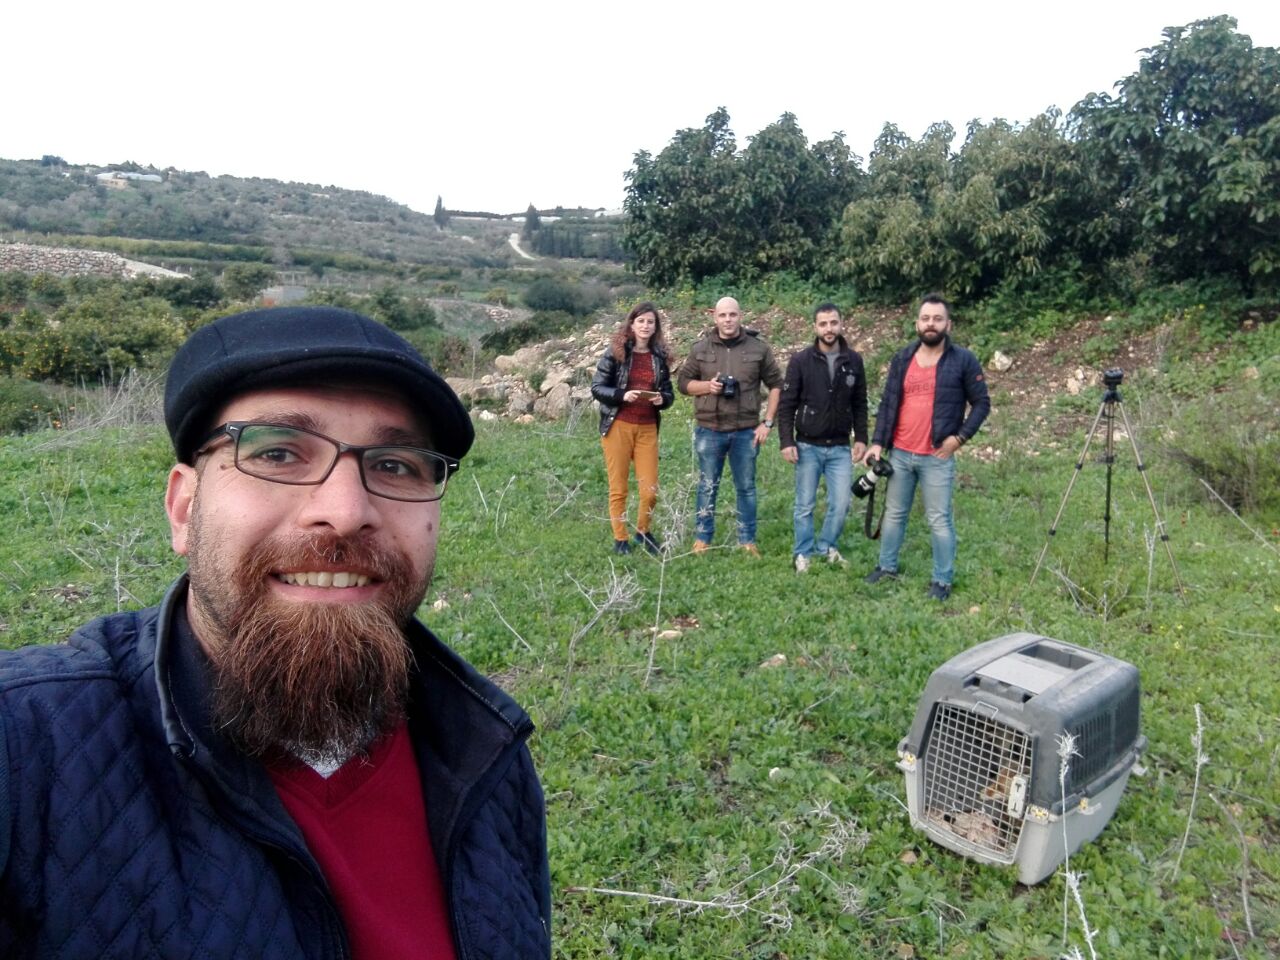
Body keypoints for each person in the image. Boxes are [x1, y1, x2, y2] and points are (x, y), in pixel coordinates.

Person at [0, 306, 551, 960]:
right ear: (184, 508)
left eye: (395, 464)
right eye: (279, 452)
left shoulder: (488, 755)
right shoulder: (28, 748)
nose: (345, 512)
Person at [862, 294, 990, 601]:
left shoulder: (963, 360)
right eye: (925, 318)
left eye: (937, 319)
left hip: (936, 456)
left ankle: (942, 580)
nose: (930, 324)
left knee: (939, 520)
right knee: (894, 514)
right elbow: (888, 403)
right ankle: (887, 567)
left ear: (948, 324)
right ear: (917, 323)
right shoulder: (902, 358)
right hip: (900, 453)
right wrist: (878, 443)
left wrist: (960, 438)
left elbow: (982, 403)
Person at [677, 296, 783, 556]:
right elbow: (683, 383)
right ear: (715, 317)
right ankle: (702, 538)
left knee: (746, 487)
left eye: (732, 315)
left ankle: (747, 540)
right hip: (709, 429)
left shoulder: (758, 349)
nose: (728, 320)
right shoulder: (700, 348)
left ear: (740, 316)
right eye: (723, 315)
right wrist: (707, 386)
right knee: (707, 486)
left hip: (746, 430)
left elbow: (777, 385)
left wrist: (768, 422)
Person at [777, 303, 868, 572]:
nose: (829, 329)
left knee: (841, 503)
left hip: (840, 447)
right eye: (823, 324)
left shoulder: (854, 361)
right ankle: (802, 552)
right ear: (815, 327)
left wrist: (861, 438)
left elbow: (860, 403)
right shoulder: (800, 361)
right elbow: (787, 405)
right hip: (807, 445)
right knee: (804, 504)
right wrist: (786, 441)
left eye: (833, 323)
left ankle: (827, 546)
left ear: (841, 324)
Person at [590, 302, 675, 555]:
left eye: (650, 322)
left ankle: (643, 531)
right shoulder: (616, 353)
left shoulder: (659, 357)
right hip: (618, 425)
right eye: (641, 321)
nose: (646, 326)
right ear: (632, 324)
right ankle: (620, 538)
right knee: (619, 487)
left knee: (650, 490)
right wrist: (621, 395)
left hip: (647, 428)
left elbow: (669, 392)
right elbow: (597, 387)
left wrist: (662, 399)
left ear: (656, 327)